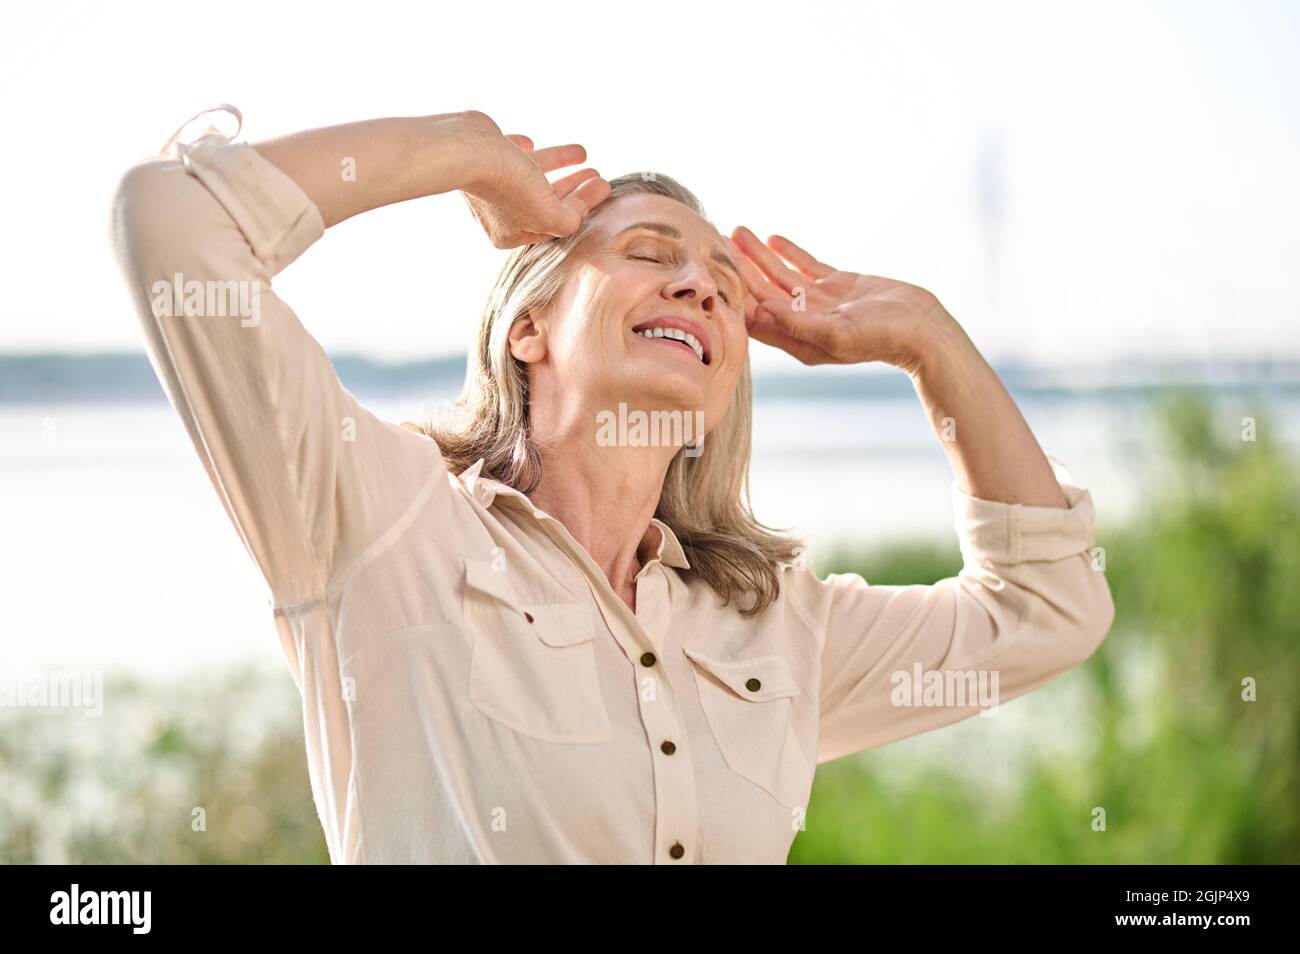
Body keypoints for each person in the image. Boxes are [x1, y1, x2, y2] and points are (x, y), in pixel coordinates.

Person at [111, 107, 1115, 864]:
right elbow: (170, 223)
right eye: (648, 255)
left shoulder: (774, 629)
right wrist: (465, 151)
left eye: (725, 286)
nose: (698, 287)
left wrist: (931, 345)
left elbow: (1048, 610)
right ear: (526, 327)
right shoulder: (379, 520)